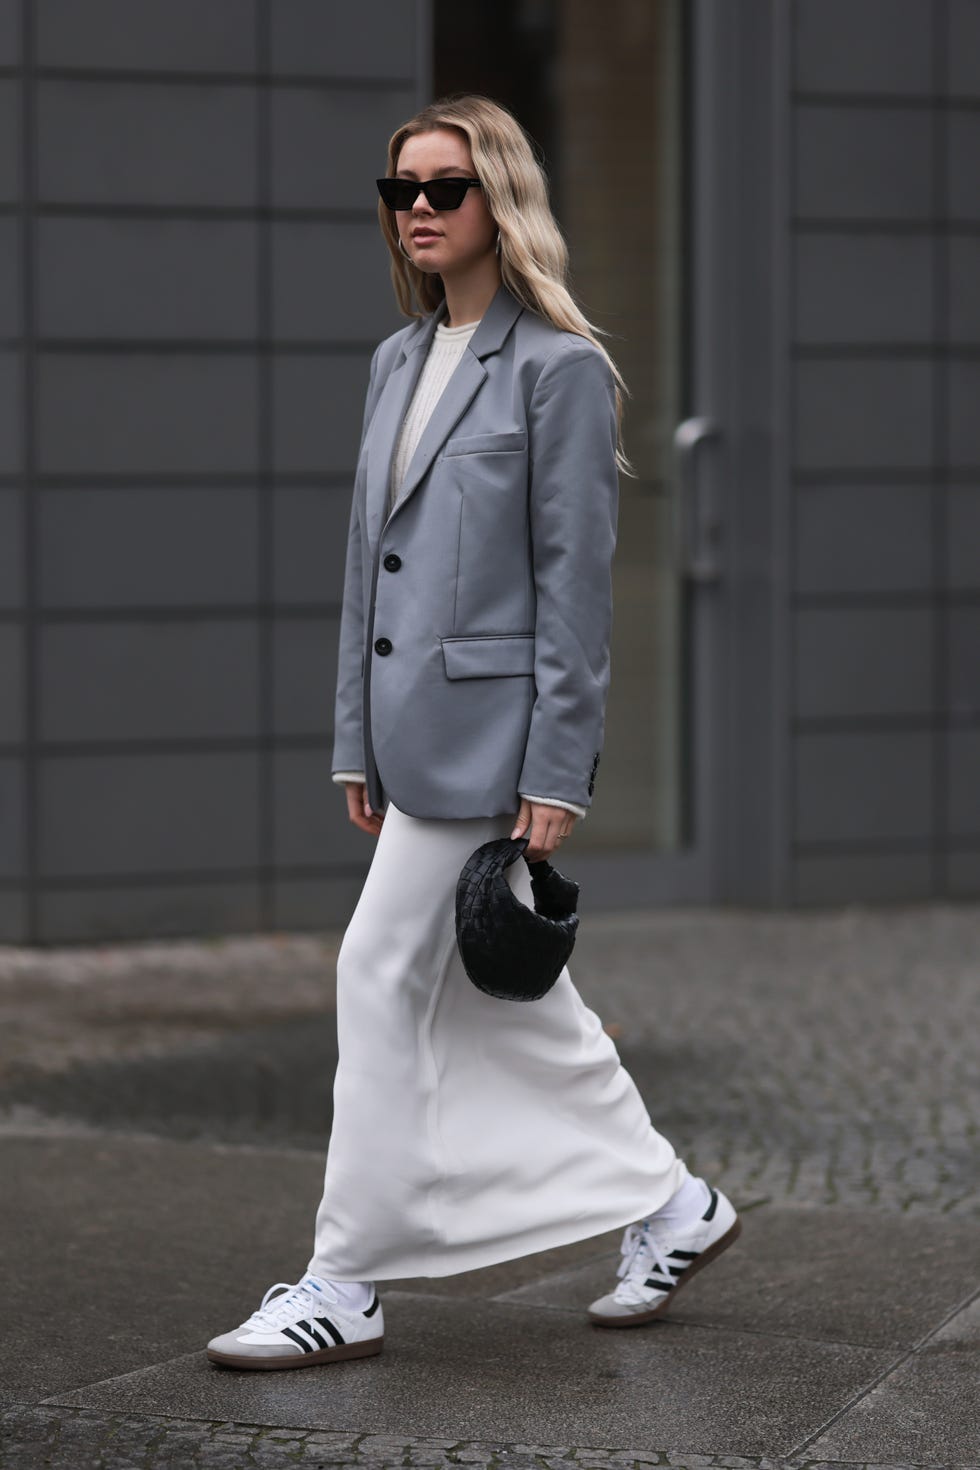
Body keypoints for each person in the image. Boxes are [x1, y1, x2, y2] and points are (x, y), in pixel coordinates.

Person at [206, 93, 740, 1371]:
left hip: (493, 739)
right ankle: (673, 1201)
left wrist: (558, 767)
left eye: (446, 187)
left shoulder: (555, 368)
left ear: (498, 200)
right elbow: (367, 569)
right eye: (403, 191)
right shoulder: (395, 361)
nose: (422, 211)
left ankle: (348, 1277)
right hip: (407, 737)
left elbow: (575, 589)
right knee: (511, 998)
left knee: (375, 973)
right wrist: (355, 739)